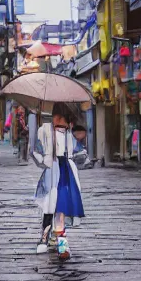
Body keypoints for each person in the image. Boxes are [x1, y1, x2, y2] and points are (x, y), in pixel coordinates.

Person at [32, 104, 85, 260]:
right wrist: (45, 160)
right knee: (49, 206)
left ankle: (61, 243)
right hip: (52, 170)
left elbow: (77, 151)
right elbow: (36, 151)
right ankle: (45, 237)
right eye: (57, 117)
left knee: (61, 207)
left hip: (65, 171)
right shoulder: (44, 130)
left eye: (63, 118)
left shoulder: (68, 133)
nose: (59, 121)